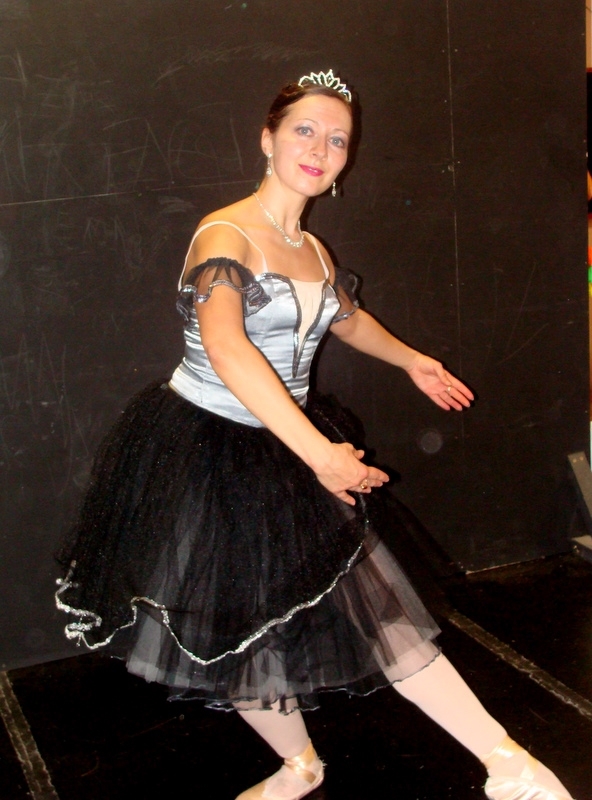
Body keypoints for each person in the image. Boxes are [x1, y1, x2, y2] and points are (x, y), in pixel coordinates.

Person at [56, 71, 575, 800]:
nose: (320, 149)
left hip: (289, 441)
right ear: (266, 140)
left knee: (377, 610)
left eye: (337, 140)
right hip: (206, 448)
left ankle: (507, 764)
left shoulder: (313, 249)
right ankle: (301, 764)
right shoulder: (225, 234)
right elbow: (228, 347)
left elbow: (345, 319)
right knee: (229, 624)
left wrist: (412, 360)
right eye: (304, 130)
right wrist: (319, 456)